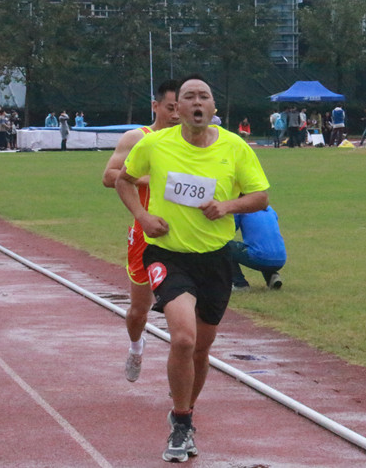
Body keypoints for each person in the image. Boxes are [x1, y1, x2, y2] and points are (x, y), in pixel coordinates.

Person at [115, 74, 269, 463]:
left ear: (213, 108)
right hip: (168, 255)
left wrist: (227, 206)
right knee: (183, 339)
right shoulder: (154, 144)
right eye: (189, 97)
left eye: (204, 96)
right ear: (177, 108)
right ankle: (181, 424)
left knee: (201, 348)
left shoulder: (235, 147)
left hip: (215, 260)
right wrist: (143, 217)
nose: (197, 102)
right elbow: (123, 180)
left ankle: (185, 411)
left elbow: (260, 196)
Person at [102, 79, 180, 383]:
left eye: (180, 108)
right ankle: (136, 346)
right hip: (144, 234)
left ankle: (182, 374)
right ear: (156, 106)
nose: (176, 114)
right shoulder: (137, 138)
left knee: (183, 310)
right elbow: (109, 176)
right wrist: (149, 178)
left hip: (182, 234)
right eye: (170, 108)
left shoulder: (193, 141)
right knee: (138, 310)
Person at [229, 205, 286, 291]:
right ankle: (272, 276)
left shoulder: (241, 209)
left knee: (224, 247)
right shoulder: (269, 209)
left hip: (260, 256)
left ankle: (240, 284)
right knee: (262, 247)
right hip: (281, 258)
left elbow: (229, 230)